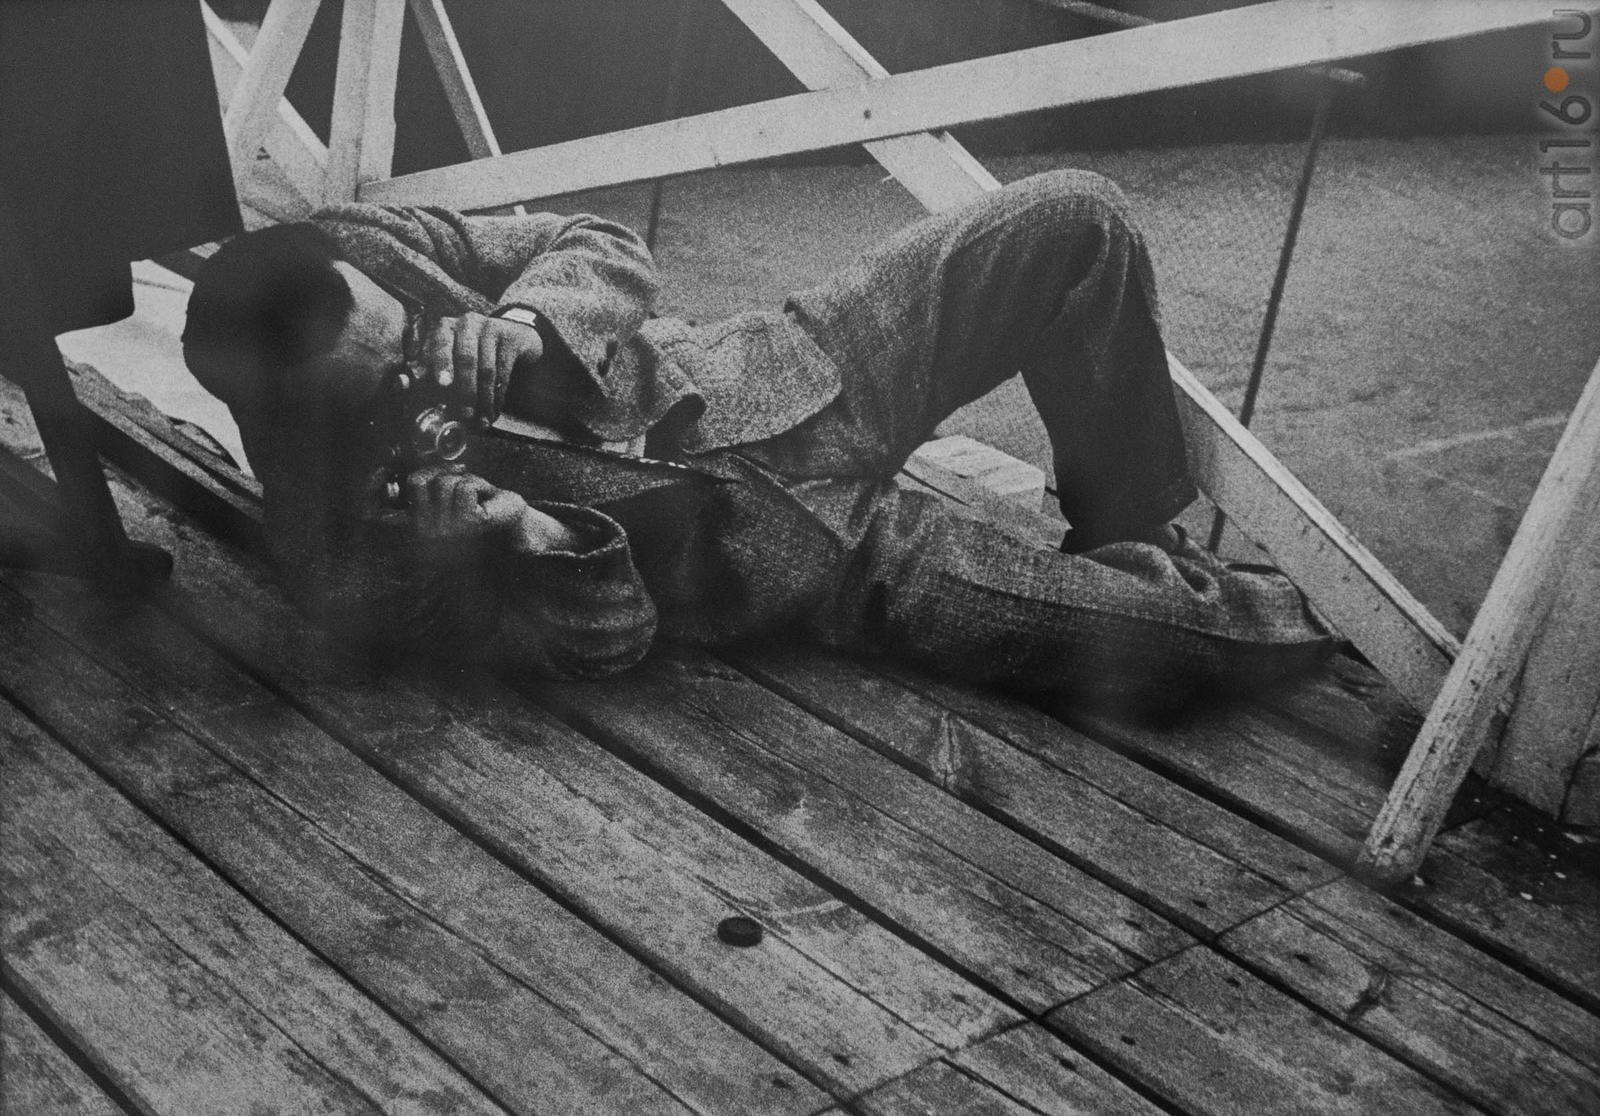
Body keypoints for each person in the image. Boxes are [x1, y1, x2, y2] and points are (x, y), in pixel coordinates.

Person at [181, 170, 1333, 710]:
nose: (422, 370)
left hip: (787, 367)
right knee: (1203, 643)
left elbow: (601, 241)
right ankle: (1296, 618)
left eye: (411, 337)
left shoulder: (366, 244)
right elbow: (608, 648)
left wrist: (527, 322)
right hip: (809, 562)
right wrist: (526, 537)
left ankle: (1124, 521)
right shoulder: (338, 551)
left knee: (1072, 218)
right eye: (389, 384)